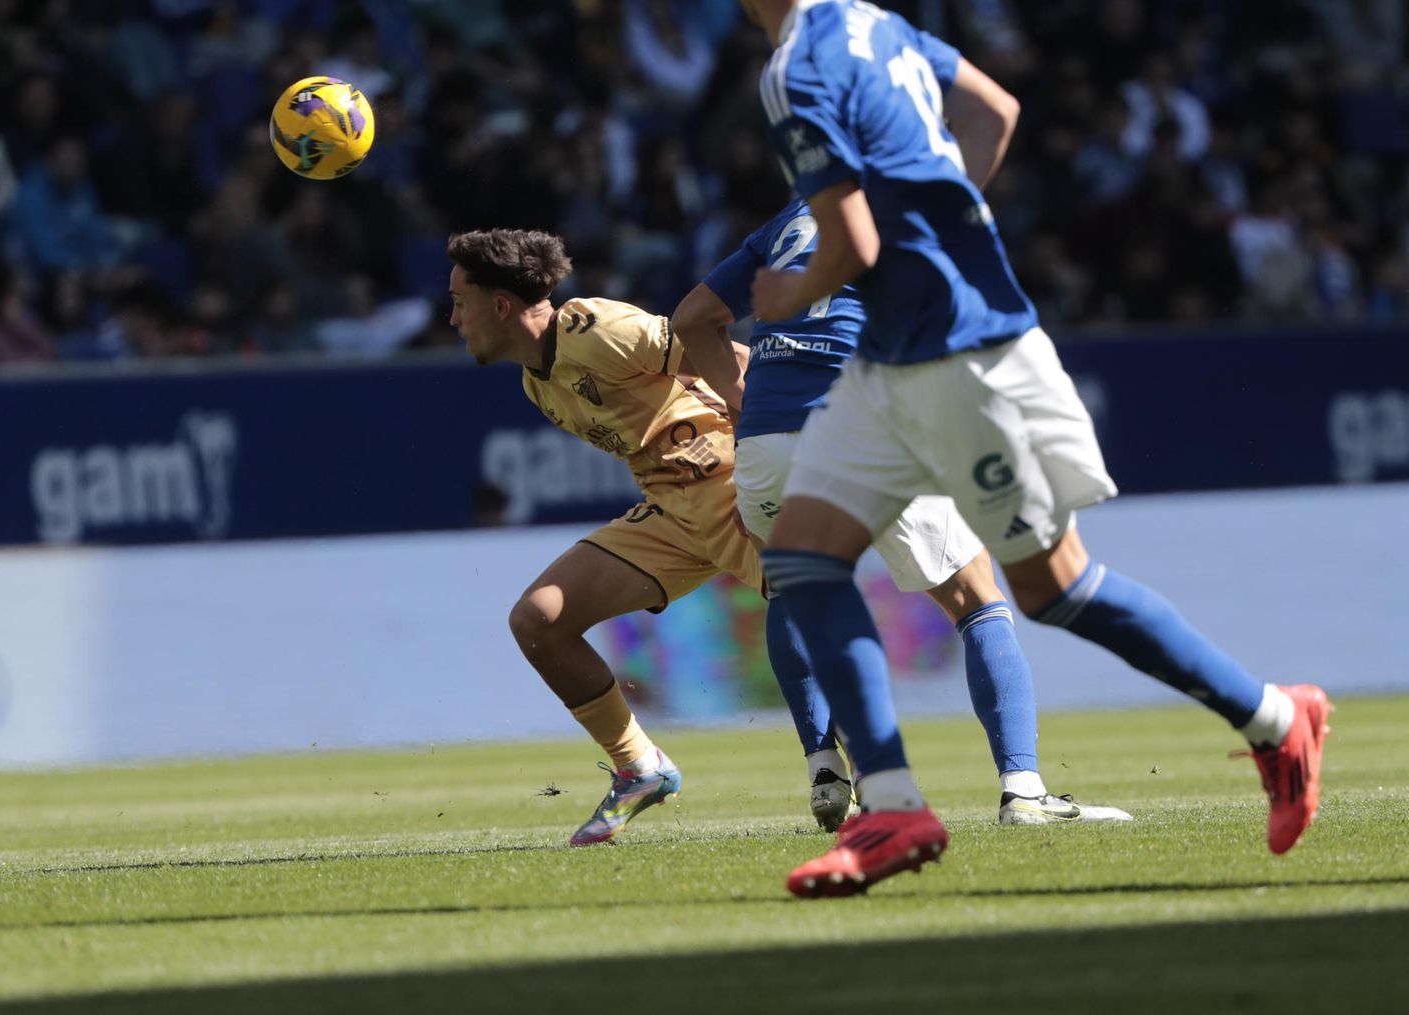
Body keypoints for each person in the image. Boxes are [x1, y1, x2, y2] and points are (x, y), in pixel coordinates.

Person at [736, 0, 1330, 897]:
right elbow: (995, 112)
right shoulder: (873, 23)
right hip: (891, 357)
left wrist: (783, 297)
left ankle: (1278, 720)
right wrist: (945, 228)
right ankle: (894, 805)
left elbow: (850, 242)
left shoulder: (791, 69)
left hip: (962, 358)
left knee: (1057, 589)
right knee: (806, 557)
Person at [672, 197, 1131, 828]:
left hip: (767, 440)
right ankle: (1023, 791)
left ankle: (823, 764)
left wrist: (747, 402)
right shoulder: (917, 194)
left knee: (792, 590)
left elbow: (694, 318)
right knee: (975, 596)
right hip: (865, 421)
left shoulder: (789, 219)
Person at [447, 227, 751, 846]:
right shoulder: (537, 381)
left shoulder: (598, 330)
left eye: (459, 301)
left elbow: (735, 359)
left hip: (728, 485)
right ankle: (639, 768)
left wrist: (773, 447)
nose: (452, 318)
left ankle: (869, 780)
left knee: (814, 614)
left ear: (500, 306)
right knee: (539, 619)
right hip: (670, 514)